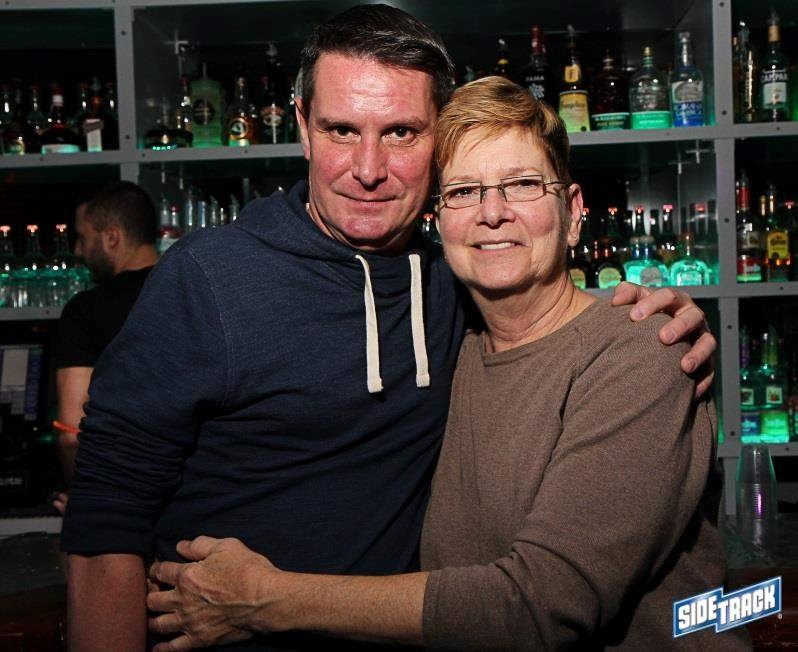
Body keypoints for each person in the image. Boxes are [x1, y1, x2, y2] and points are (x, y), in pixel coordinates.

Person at [63, 6, 716, 652]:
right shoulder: (208, 279)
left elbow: (543, 596)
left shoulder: (453, 289)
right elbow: (104, 519)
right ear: (302, 126)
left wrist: (653, 326)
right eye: (341, 130)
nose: (368, 168)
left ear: (435, 143)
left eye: (401, 132)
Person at [52, 182, 159, 512]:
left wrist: (84, 502)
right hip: (194, 501)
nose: (79, 250)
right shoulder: (195, 293)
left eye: (84, 238)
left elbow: (71, 432)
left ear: (112, 238)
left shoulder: (86, 310)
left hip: (119, 504)